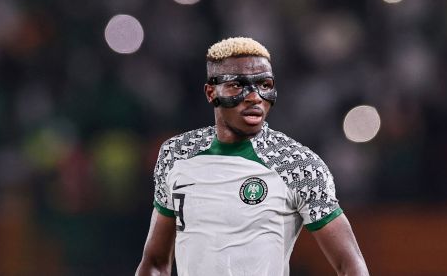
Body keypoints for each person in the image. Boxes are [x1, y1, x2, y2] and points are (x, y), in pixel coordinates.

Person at [136, 37, 369, 276]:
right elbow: (154, 263)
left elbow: (351, 265)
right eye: (237, 85)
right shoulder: (176, 155)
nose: (254, 96)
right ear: (210, 92)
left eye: (265, 84)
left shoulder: (296, 164)